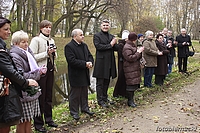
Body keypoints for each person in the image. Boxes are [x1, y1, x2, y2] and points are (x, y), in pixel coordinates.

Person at [0, 17, 38, 133]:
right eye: (6, 29)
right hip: (3, 91)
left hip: (8, 89)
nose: (9, 32)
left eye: (9, 29)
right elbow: (10, 71)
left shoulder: (3, 47)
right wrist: (26, 82)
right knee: (4, 125)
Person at [10, 30, 47, 133]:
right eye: (23, 42)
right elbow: (20, 75)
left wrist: (39, 70)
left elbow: (32, 68)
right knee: (22, 121)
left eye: (27, 41)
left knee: (29, 120)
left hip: (31, 91)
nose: (26, 44)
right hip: (23, 92)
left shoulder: (27, 53)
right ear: (16, 43)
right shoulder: (14, 56)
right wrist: (38, 73)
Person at [29, 20, 58, 132]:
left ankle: (49, 119)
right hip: (40, 72)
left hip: (50, 70)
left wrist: (53, 53)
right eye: (46, 27)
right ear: (41, 28)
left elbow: (54, 55)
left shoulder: (51, 39)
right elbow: (32, 57)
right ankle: (38, 123)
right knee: (40, 97)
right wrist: (46, 53)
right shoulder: (36, 40)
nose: (48, 29)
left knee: (49, 96)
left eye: (50, 27)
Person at [64, 29, 94, 120]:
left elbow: (90, 56)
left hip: (84, 72)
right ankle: (74, 111)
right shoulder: (69, 46)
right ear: (75, 36)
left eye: (83, 34)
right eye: (81, 35)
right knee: (75, 94)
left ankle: (85, 108)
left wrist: (91, 62)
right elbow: (71, 60)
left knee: (84, 92)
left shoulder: (84, 45)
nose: (83, 36)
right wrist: (85, 64)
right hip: (75, 74)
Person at [93, 19, 118, 108]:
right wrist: (111, 45)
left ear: (109, 26)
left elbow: (116, 48)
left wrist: (121, 42)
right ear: (101, 26)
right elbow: (99, 47)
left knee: (107, 81)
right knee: (100, 82)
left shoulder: (111, 36)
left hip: (110, 61)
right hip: (101, 62)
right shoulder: (97, 36)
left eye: (107, 25)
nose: (105, 27)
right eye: (104, 25)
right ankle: (100, 100)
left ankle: (105, 97)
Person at [122, 32, 144, 107]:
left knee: (133, 84)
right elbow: (130, 58)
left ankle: (132, 100)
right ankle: (130, 101)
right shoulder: (127, 47)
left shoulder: (131, 45)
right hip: (130, 68)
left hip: (134, 68)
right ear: (134, 40)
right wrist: (138, 52)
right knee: (130, 85)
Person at [113, 30, 129, 98]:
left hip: (125, 62)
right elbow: (121, 54)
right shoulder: (121, 44)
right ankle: (117, 92)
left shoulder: (125, 44)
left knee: (125, 78)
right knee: (121, 77)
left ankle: (123, 92)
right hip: (122, 62)